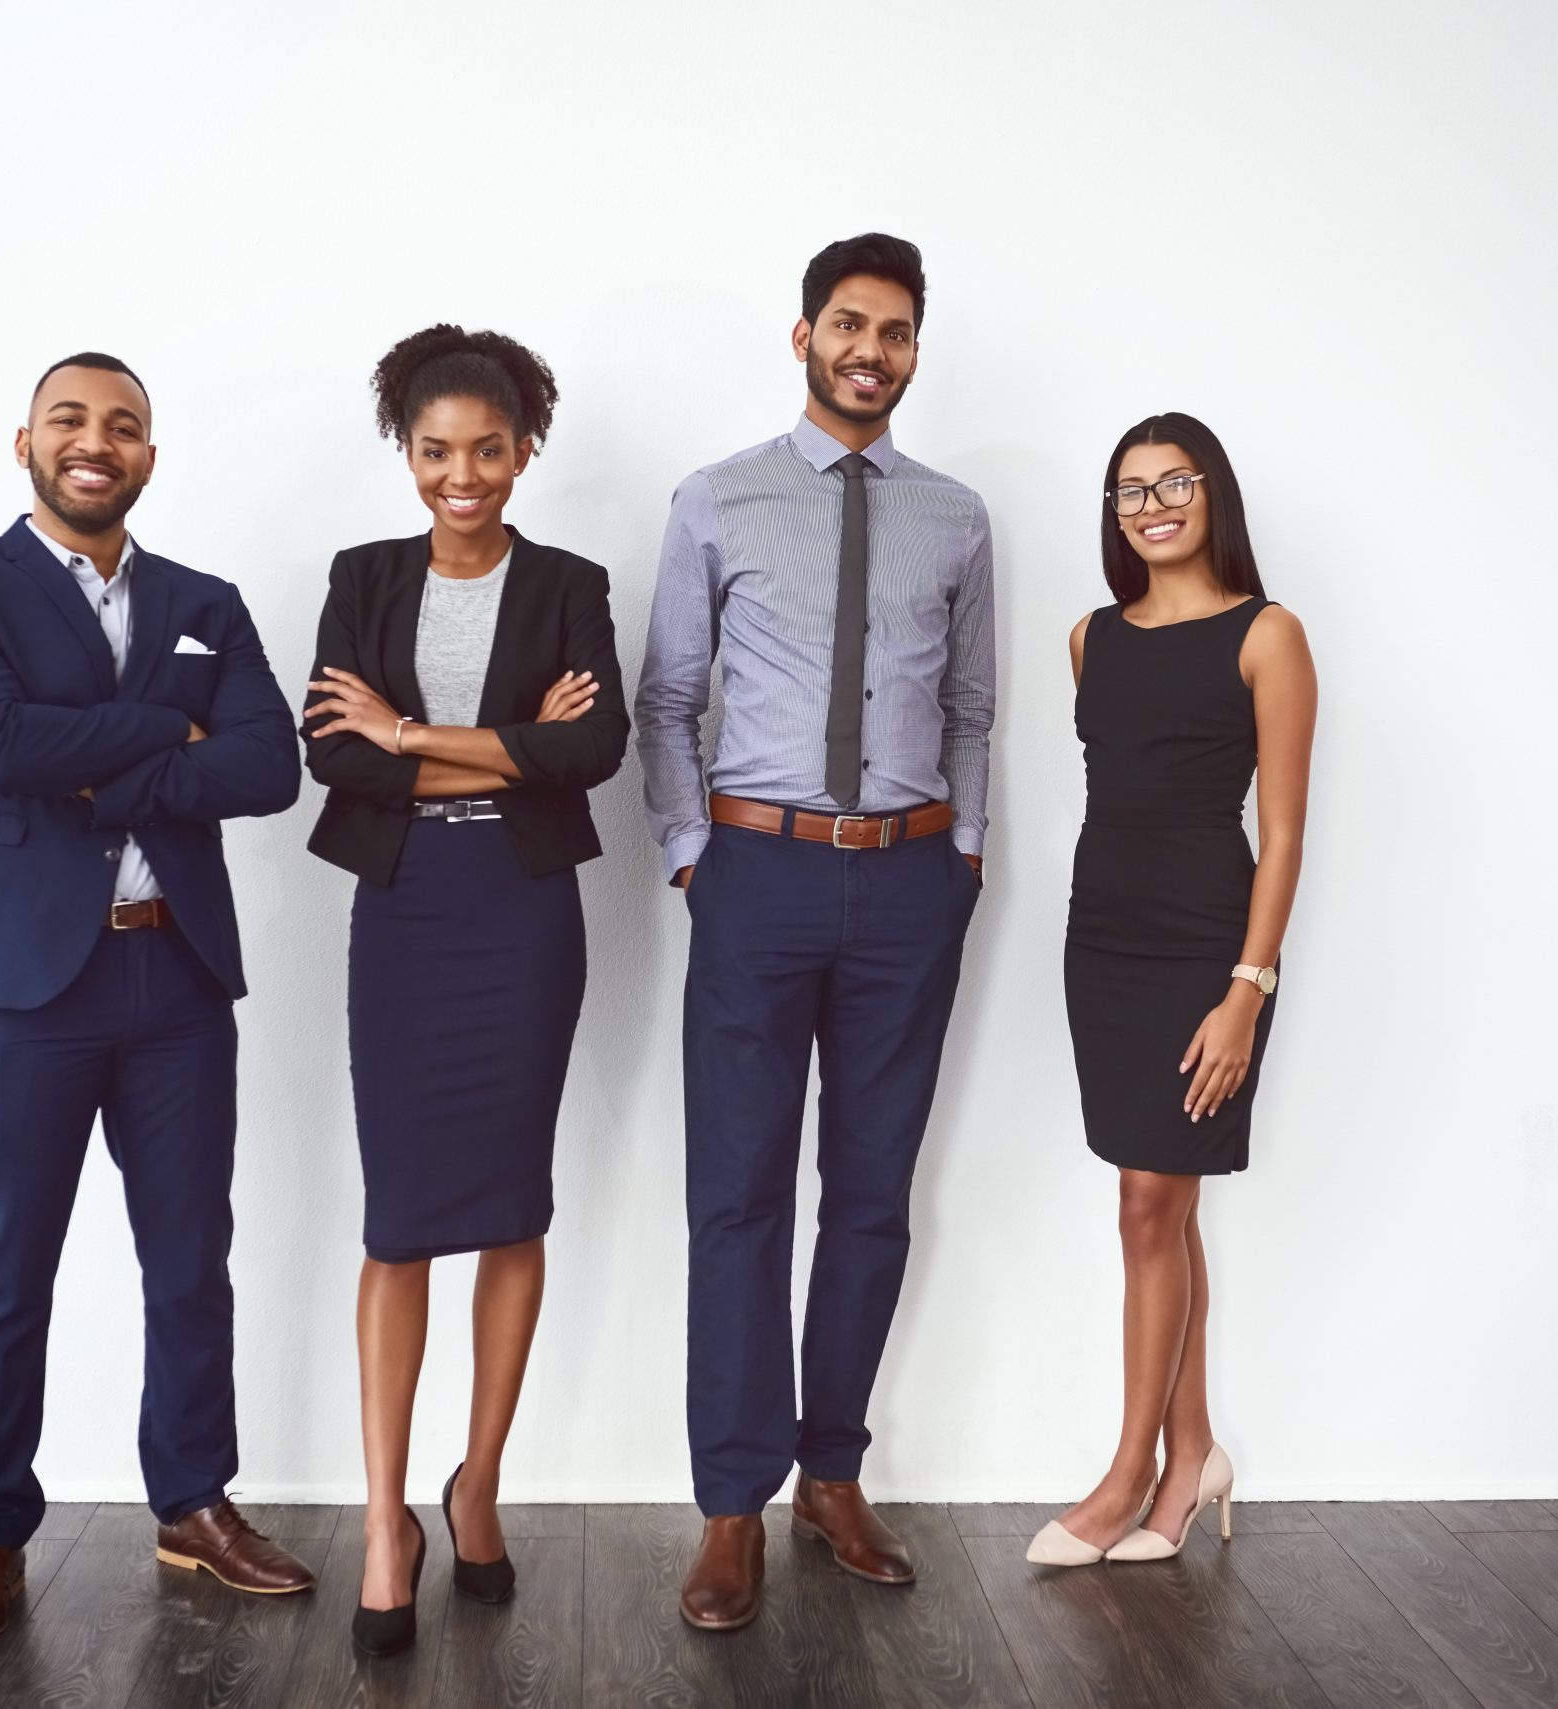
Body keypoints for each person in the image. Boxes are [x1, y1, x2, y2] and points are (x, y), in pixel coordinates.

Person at [0, 353, 316, 1645]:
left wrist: (104, 767)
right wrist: (164, 737)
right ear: (25, 438)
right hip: (28, 984)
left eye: (124, 425)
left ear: (151, 451)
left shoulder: (207, 600)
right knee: (11, 1262)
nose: (99, 441)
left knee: (191, 1260)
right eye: (73, 420)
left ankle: (195, 1503)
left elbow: (269, 765)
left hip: (177, 969)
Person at [634, 233, 995, 1631]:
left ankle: (830, 1474)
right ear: (803, 338)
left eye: (896, 331)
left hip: (908, 884)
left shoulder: (958, 516)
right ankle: (732, 1503)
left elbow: (970, 705)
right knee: (736, 1196)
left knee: (873, 1189)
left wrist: (961, 853)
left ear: (913, 351)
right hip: (757, 877)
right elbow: (667, 695)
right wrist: (692, 859)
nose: (871, 349)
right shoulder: (718, 497)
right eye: (848, 324)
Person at [301, 325, 629, 1657]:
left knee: (509, 1203)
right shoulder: (362, 577)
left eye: (487, 449)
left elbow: (591, 747)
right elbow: (336, 756)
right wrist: (502, 754)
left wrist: (413, 731)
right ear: (407, 451)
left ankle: (477, 1479)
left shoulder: (568, 582)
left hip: (523, 918)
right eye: (437, 450)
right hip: (407, 917)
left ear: (526, 448)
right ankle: (389, 1517)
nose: (462, 474)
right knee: (397, 1222)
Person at [1025, 413, 1316, 1568]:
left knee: (1150, 1203)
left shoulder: (1268, 633)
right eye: (1129, 491)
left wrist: (1247, 988)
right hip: (1101, 940)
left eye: (1172, 483)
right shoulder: (1091, 637)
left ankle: (1126, 1474)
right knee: (1159, 1205)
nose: (1151, 506)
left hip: (1209, 946)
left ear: (1212, 494)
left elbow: (1283, 832)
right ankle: (1193, 1452)